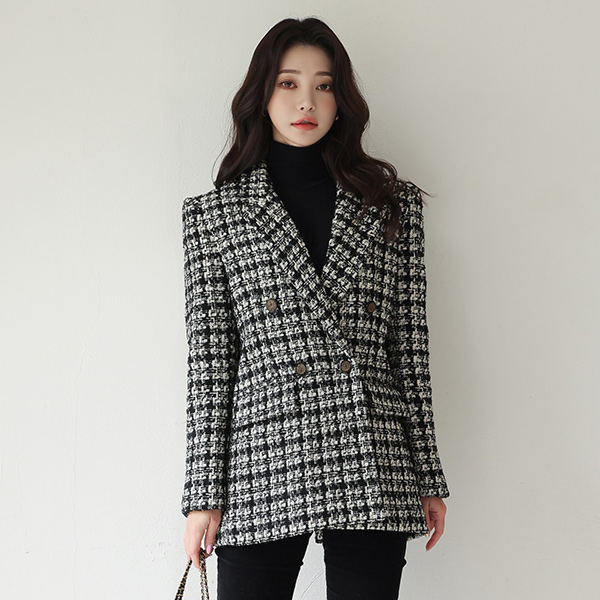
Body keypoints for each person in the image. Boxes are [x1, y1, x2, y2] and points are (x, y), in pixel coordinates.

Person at [181, 16, 450, 600]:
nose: (307, 101)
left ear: (341, 100)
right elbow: (211, 365)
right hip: (262, 458)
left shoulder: (389, 204)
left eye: (324, 86)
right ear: (262, 94)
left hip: (372, 453)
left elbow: (408, 348)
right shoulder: (215, 215)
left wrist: (427, 473)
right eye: (288, 83)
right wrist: (203, 496)